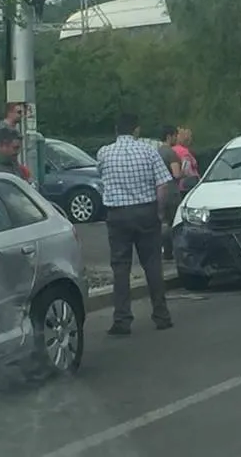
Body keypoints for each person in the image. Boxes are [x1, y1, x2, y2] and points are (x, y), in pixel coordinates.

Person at [97, 113, 174, 335]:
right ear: (136, 129)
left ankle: (122, 319)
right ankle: (161, 315)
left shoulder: (104, 153)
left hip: (117, 215)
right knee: (152, 264)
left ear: (116, 130)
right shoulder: (149, 151)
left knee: (120, 267)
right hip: (145, 211)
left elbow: (102, 178)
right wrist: (159, 212)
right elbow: (162, 186)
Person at [158, 126, 183, 261]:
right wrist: (184, 171)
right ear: (169, 136)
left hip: (159, 191)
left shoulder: (157, 152)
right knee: (174, 222)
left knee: (163, 222)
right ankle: (173, 251)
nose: (176, 138)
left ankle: (164, 251)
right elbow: (176, 174)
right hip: (172, 192)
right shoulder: (171, 153)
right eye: (175, 135)